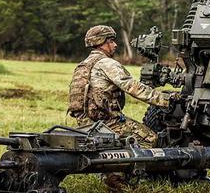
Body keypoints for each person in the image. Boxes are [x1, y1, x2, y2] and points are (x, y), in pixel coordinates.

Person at [69, 25, 173, 190]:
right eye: (111, 40)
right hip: (105, 121)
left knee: (123, 140)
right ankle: (117, 176)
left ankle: (112, 172)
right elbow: (134, 88)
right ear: (101, 43)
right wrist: (166, 100)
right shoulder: (107, 64)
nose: (115, 44)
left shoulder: (84, 64)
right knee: (149, 139)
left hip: (84, 122)